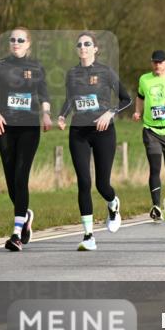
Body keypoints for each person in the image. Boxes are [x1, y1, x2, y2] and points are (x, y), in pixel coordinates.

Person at [57, 32, 131, 251]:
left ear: (95, 48)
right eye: (79, 44)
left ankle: (113, 203)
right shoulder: (71, 74)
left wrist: (110, 113)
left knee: (101, 185)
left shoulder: (106, 71)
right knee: (83, 182)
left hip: (103, 132)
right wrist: (62, 116)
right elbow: (70, 100)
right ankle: (89, 236)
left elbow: (126, 99)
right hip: (79, 131)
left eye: (87, 44)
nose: (83, 47)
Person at [0, 28, 52, 251]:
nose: (16, 42)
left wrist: (45, 114)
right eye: (13, 39)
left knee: (21, 175)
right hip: (4, 126)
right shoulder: (0, 66)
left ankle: (15, 233)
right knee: (10, 178)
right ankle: (25, 215)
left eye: (20, 40)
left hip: (29, 127)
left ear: (28, 44)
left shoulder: (36, 67)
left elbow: (44, 95)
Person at [132, 50, 165, 222]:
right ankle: (155, 206)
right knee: (154, 168)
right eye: (154, 62)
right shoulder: (144, 79)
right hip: (151, 130)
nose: (157, 65)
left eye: (160, 62)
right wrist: (137, 111)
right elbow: (140, 96)